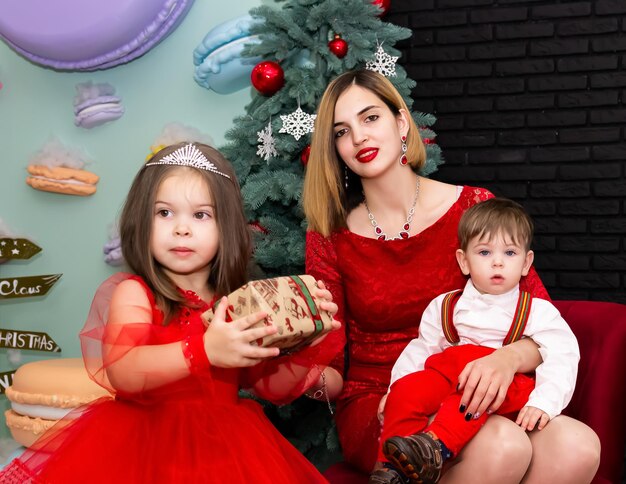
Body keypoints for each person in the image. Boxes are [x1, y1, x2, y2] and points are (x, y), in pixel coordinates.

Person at [302, 68, 600, 483]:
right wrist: (296, 373)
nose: (358, 138)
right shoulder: (329, 236)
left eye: (370, 118)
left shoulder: (473, 207)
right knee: (503, 444)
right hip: (389, 399)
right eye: (341, 131)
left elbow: (537, 319)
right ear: (334, 149)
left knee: (577, 446)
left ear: (401, 122)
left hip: (480, 382)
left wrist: (507, 358)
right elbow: (328, 362)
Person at [0, 142, 342, 483]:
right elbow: (123, 370)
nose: (181, 228)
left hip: (225, 448)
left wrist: (305, 342)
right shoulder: (136, 294)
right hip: (143, 444)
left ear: (227, 228)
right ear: (141, 221)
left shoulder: (232, 302)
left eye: (200, 215)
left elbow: (267, 383)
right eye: (164, 213)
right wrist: (204, 350)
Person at [372, 197, 580, 484]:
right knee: (407, 390)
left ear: (525, 263)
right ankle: (392, 465)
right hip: (450, 377)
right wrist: (396, 387)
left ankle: (435, 446)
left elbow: (563, 354)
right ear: (464, 261)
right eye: (484, 252)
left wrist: (545, 402)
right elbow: (421, 350)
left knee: (475, 391)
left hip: (506, 387)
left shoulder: (535, 311)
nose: (497, 261)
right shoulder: (445, 306)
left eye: (509, 252)